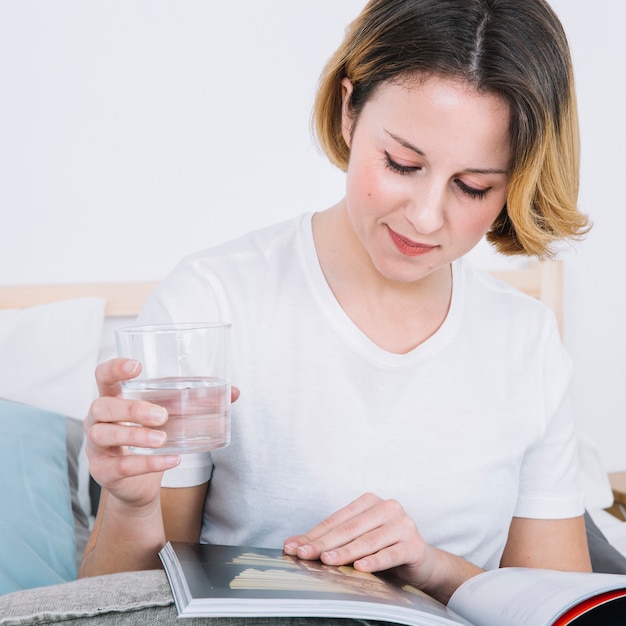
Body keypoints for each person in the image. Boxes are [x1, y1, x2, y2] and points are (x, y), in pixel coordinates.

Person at [80, 0, 592, 607]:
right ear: (349, 111)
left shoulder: (524, 340)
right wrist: (128, 503)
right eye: (402, 163)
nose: (426, 217)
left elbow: (559, 607)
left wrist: (432, 567)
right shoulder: (214, 299)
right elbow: (120, 606)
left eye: (473, 185)